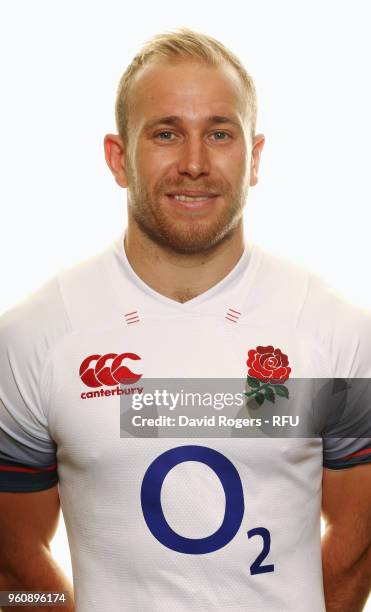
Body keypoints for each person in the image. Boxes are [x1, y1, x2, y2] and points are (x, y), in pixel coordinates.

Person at [0, 27, 370, 612]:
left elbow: (358, 546)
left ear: (255, 159)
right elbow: (13, 563)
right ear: (118, 159)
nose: (195, 163)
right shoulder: (32, 339)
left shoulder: (338, 332)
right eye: (166, 133)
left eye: (220, 134)